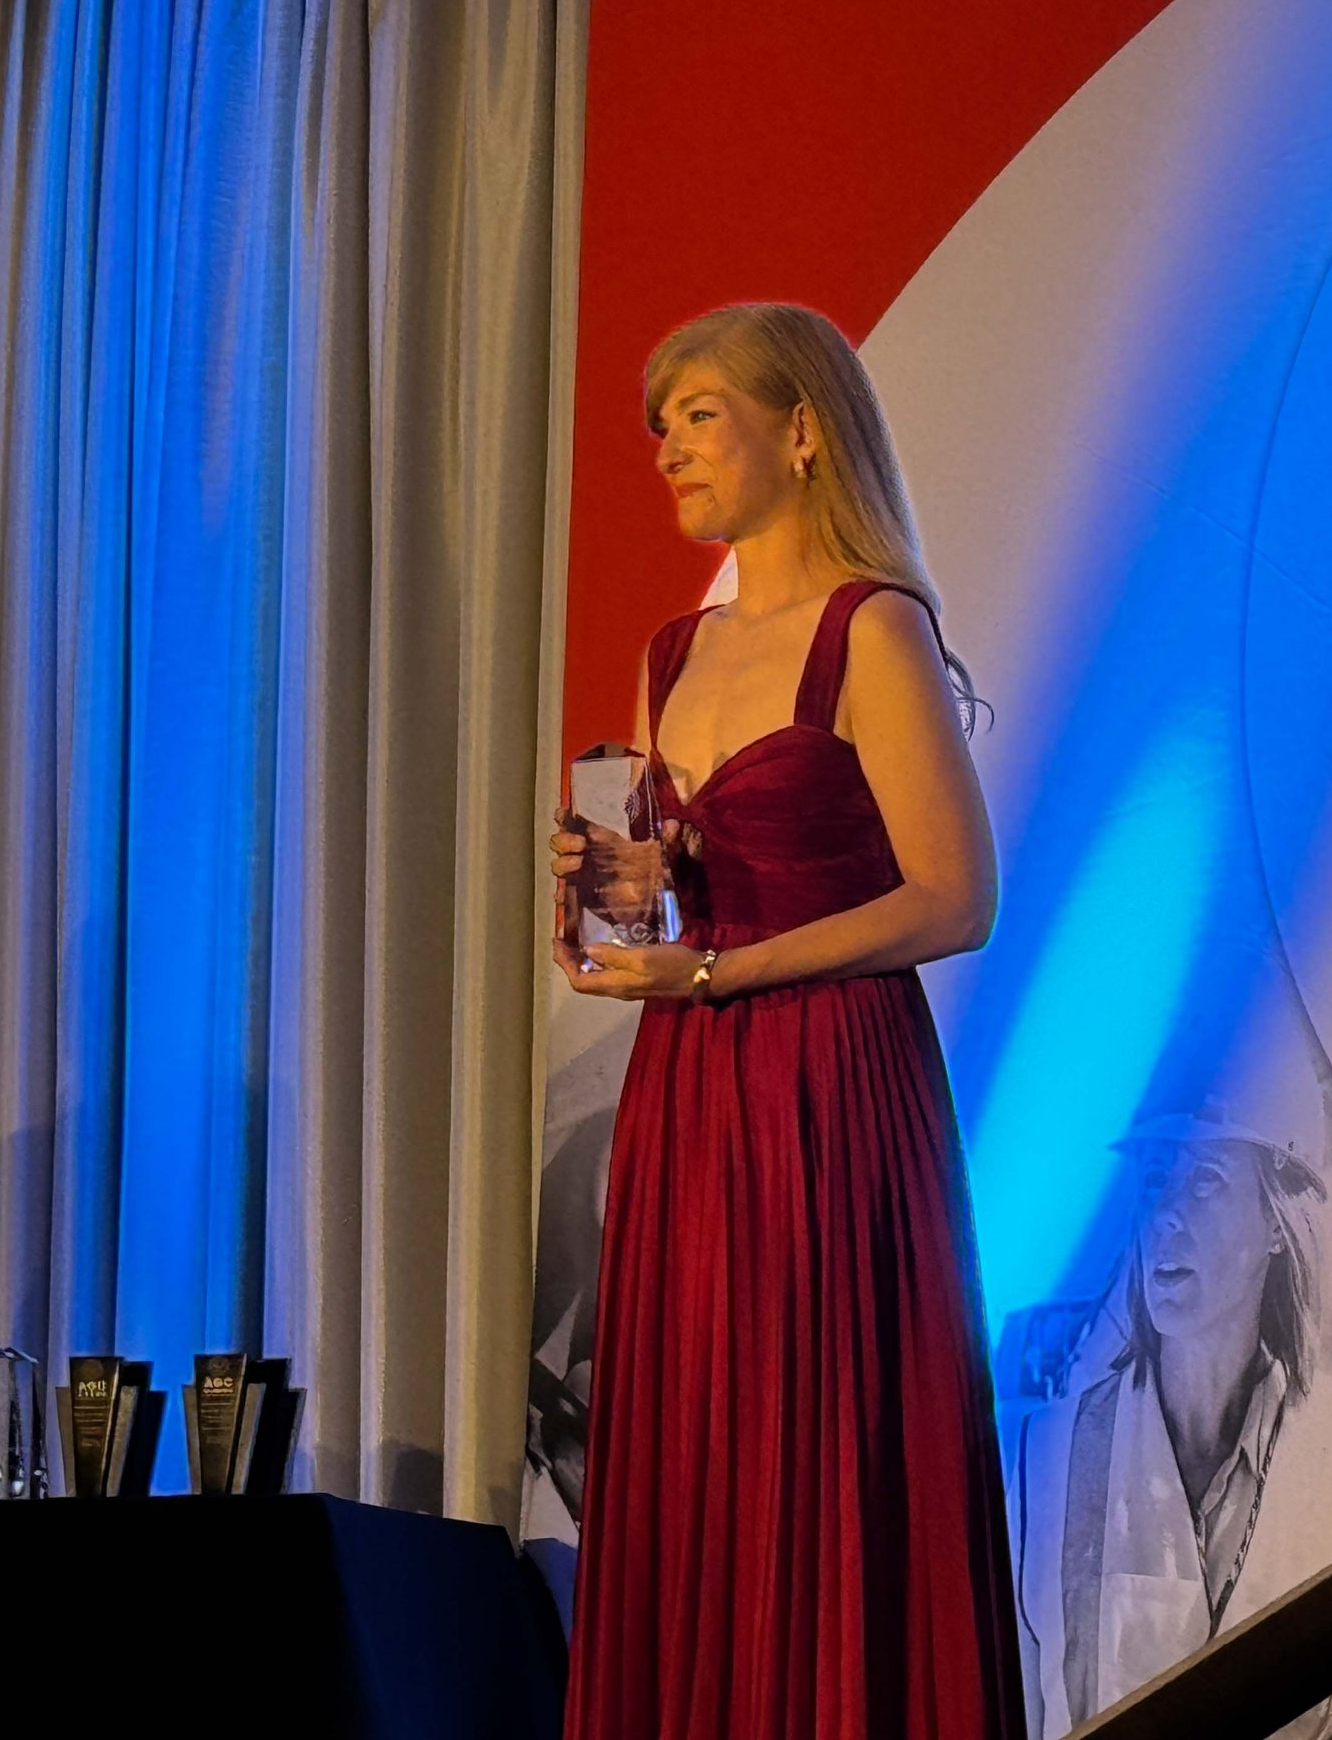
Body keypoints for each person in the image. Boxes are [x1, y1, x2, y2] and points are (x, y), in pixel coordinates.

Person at [550, 302, 1021, 1739]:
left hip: (830, 1091)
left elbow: (955, 897)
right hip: (691, 1096)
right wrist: (620, 888)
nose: (668, 450)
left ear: (802, 430)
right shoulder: (669, 653)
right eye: (662, 426)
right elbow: (684, 903)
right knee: (706, 1438)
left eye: (701, 416)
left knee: (824, 1435)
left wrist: (719, 975)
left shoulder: (872, 627)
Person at [1008, 1098, 1332, 1740]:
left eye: (1206, 1179)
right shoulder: (1045, 1456)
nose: (1166, 1214)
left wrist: (1325, 1724)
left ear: (1277, 1223)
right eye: (1155, 1178)